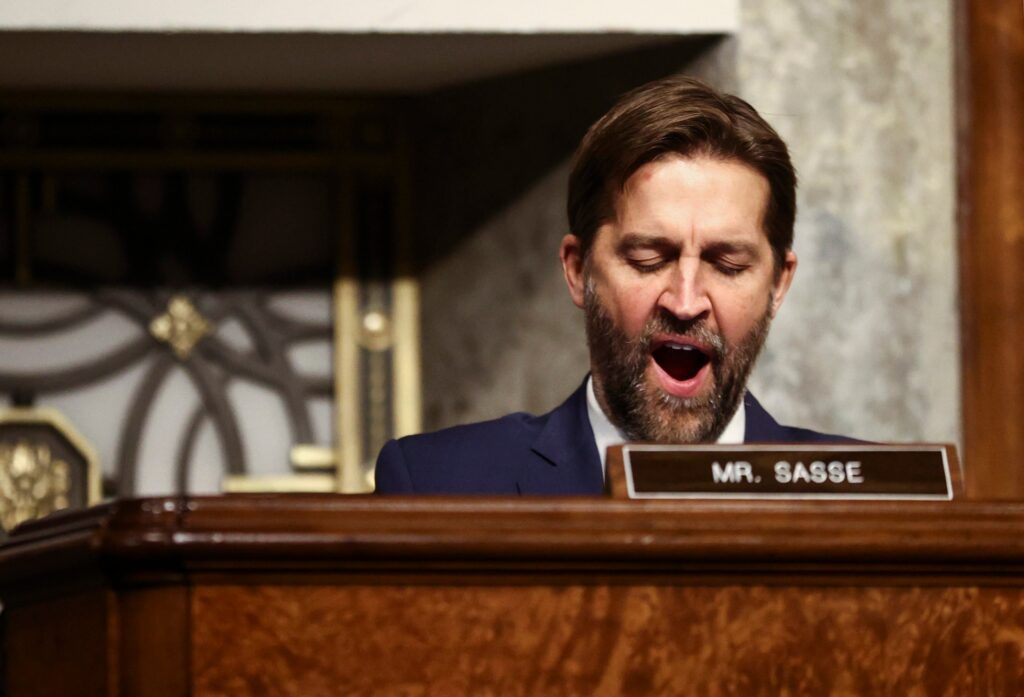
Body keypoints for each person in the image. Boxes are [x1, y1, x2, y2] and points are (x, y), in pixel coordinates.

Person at [375, 75, 852, 495]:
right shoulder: (437, 483)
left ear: (778, 284)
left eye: (727, 264)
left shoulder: (880, 499)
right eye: (647, 259)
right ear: (578, 270)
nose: (685, 302)